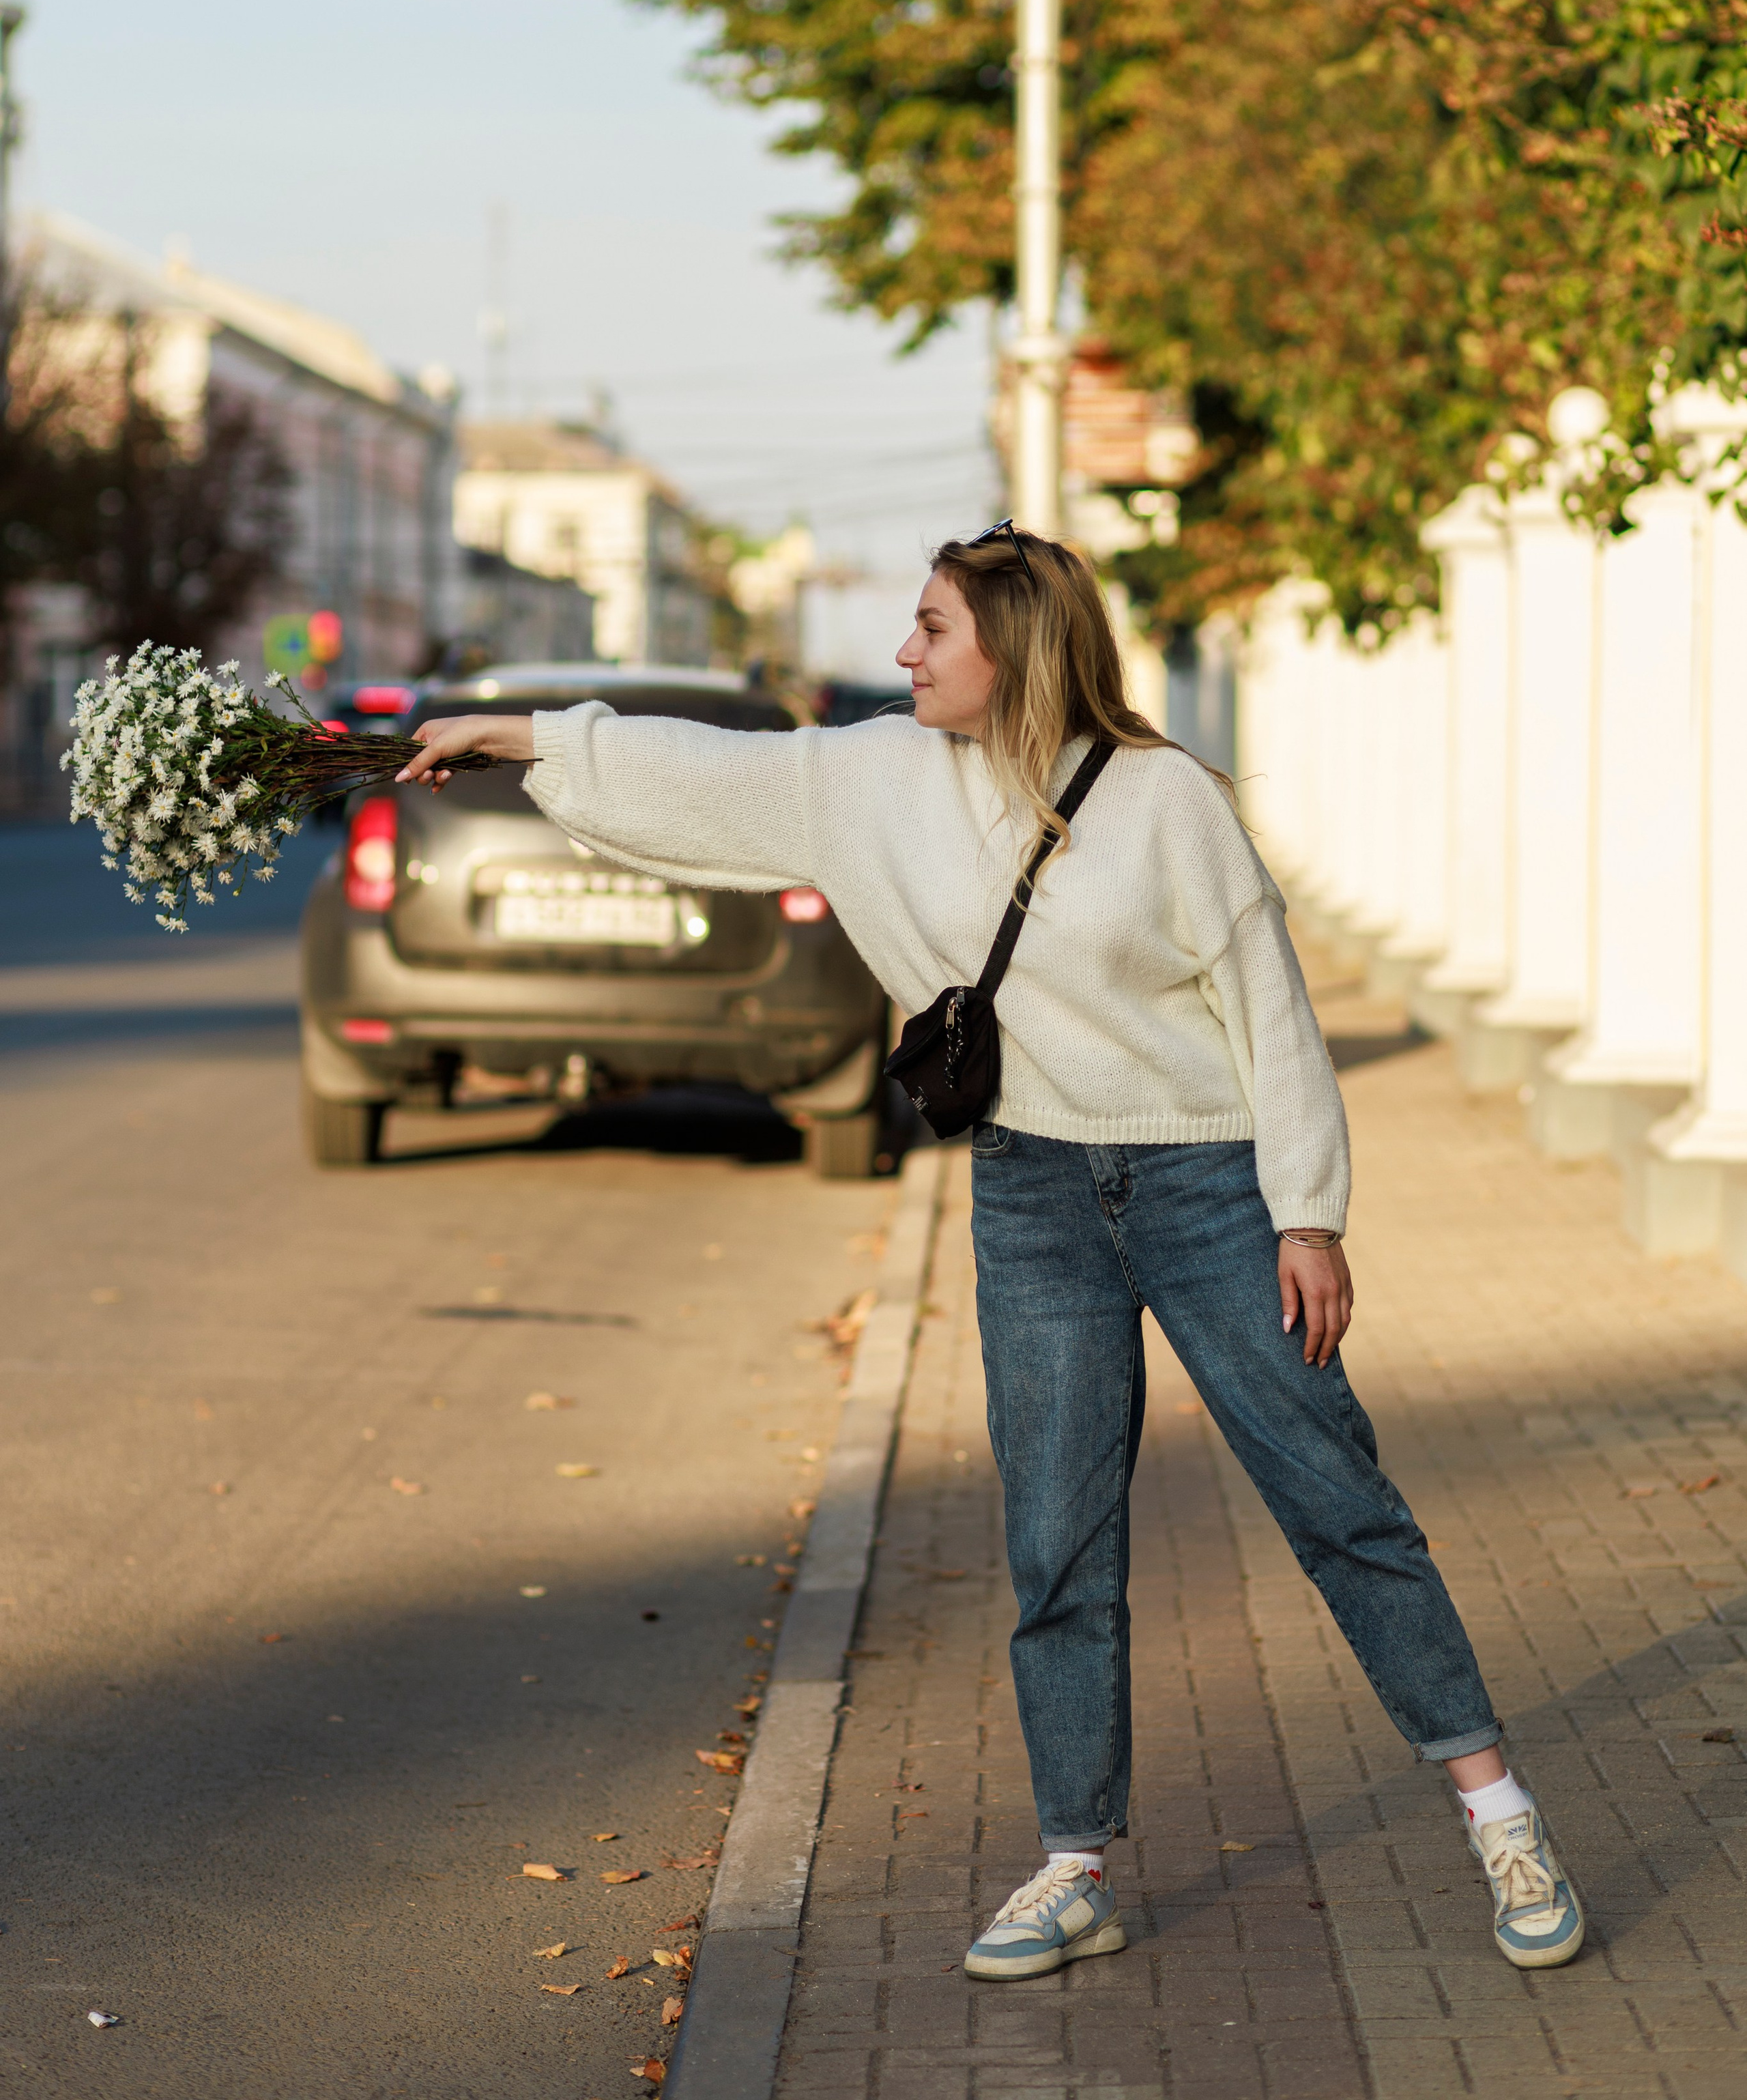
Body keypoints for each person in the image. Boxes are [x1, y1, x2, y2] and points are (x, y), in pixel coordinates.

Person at [399, 523, 1585, 1981]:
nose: (903, 653)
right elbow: (687, 774)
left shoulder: (1164, 805)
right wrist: (504, 734)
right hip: (1028, 1196)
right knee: (1054, 1541)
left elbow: (1270, 1007)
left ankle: (1500, 1816)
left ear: (1012, 649)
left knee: (1334, 1497)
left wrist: (1308, 1213)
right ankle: (1073, 1866)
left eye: (930, 628)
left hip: (1207, 1187)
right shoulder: (863, 780)